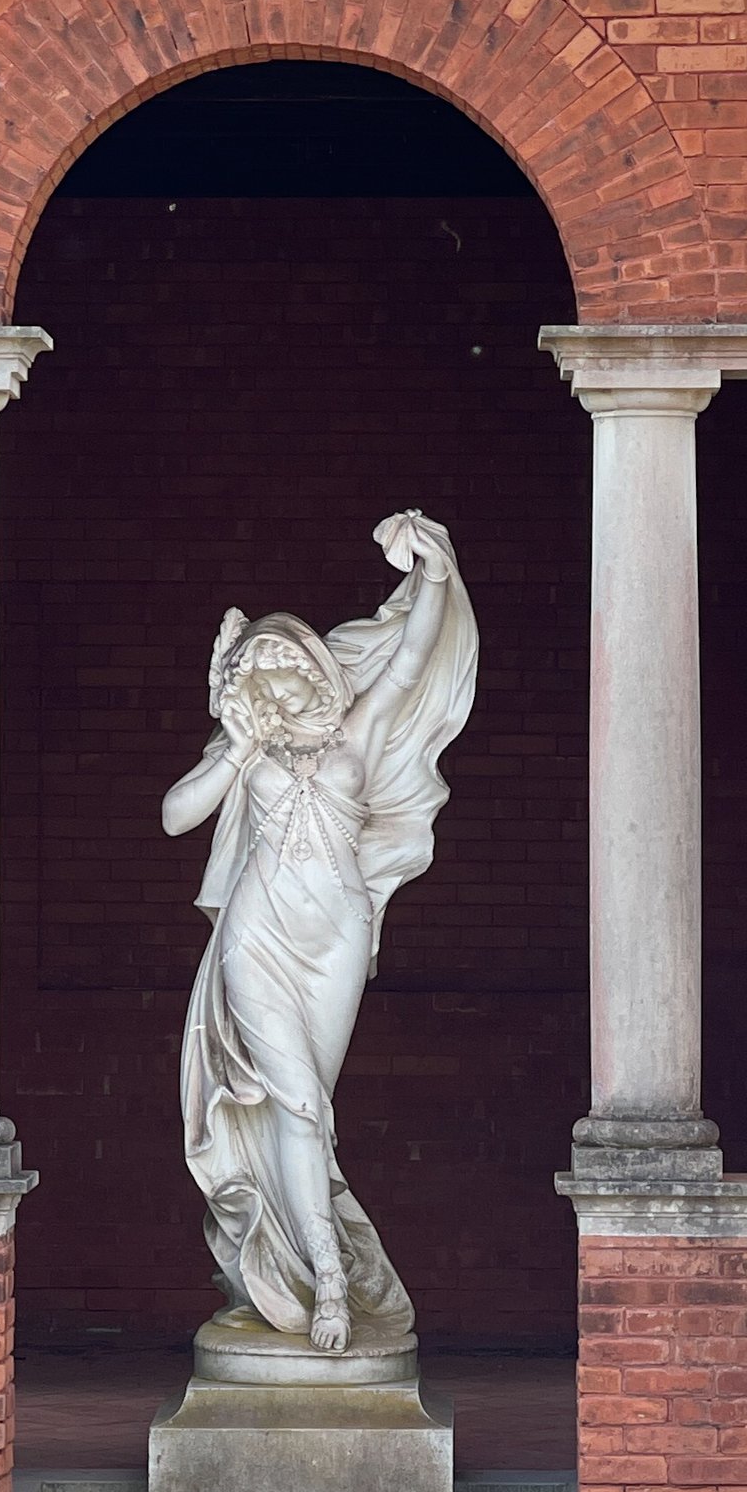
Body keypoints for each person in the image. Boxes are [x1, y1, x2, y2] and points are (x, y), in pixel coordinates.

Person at [162, 512, 478, 1352]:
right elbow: (173, 815)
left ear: (313, 666)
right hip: (256, 937)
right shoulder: (249, 750)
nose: (278, 678)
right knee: (297, 1100)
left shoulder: (359, 733)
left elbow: (412, 656)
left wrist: (432, 570)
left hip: (336, 939)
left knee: (310, 1112)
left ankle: (297, 1262)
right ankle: (331, 1286)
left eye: (286, 661)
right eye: (260, 669)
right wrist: (235, 747)